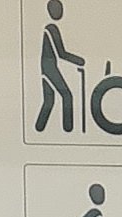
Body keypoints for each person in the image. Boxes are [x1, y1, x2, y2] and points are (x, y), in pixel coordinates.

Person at [36, 0, 84, 133]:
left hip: (46, 67)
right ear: (51, 11)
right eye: (57, 9)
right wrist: (79, 61)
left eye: (60, 8)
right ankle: (68, 128)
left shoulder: (52, 28)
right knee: (67, 96)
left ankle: (39, 128)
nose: (60, 12)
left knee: (49, 100)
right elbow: (61, 53)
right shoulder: (51, 29)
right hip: (49, 68)